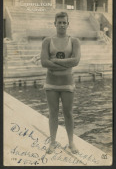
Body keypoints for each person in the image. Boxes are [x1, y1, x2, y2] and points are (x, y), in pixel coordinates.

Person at [41, 12, 81, 154]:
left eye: (65, 22)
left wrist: (55, 61)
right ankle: (52, 142)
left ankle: (71, 142)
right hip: (51, 83)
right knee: (53, 113)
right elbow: (44, 62)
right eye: (60, 22)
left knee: (68, 113)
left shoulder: (74, 41)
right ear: (55, 24)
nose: (62, 25)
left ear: (68, 24)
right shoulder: (47, 41)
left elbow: (76, 61)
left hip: (67, 83)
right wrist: (66, 64)